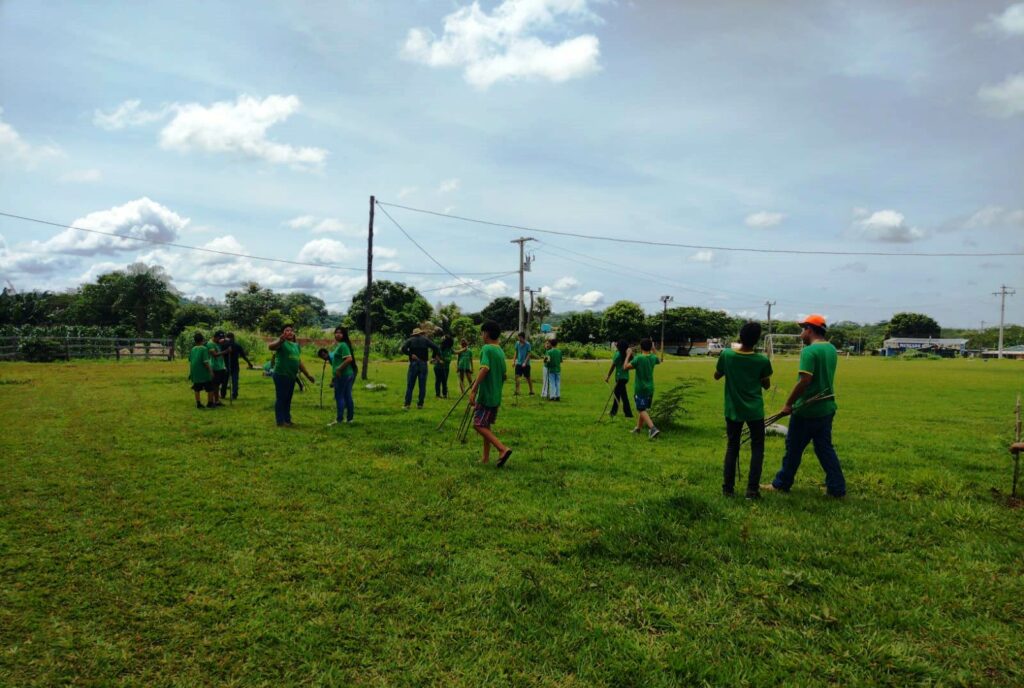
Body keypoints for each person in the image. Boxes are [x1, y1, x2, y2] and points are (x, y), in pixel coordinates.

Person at [764, 314, 846, 498]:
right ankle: (837, 488)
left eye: (803, 329)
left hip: (806, 411)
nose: (801, 333)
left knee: (793, 448)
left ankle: (781, 484)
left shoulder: (809, 352)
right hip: (826, 408)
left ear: (810, 329)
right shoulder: (831, 349)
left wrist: (788, 404)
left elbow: (805, 380)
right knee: (825, 449)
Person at [714, 322, 773, 499]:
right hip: (755, 411)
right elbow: (767, 385)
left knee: (732, 446)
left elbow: (717, 375)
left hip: (733, 410)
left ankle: (728, 489)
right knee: (757, 448)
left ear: (740, 336)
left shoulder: (726, 355)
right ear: (757, 340)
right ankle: (752, 490)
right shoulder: (762, 360)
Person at [469, 320, 512, 467]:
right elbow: (504, 375)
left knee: (478, 425)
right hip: (496, 396)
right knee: (485, 426)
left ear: (486, 333)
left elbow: (485, 368)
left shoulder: (486, 349)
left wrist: (474, 389)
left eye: (482, 332)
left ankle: (502, 449)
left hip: (486, 396)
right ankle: (485, 458)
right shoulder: (500, 350)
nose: (481, 335)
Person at [267, 323, 315, 427]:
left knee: (288, 399)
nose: (290, 332)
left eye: (291, 330)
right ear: (283, 333)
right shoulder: (281, 343)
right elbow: (270, 347)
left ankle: (287, 420)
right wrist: (280, 340)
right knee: (281, 398)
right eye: (287, 330)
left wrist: (308, 375)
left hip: (291, 376)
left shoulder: (296, 346)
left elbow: (298, 361)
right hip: (281, 374)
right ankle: (280, 421)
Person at [318, 326, 357, 426]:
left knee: (339, 397)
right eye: (336, 332)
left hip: (343, 375)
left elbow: (349, 359)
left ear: (344, 335)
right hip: (348, 374)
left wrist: (339, 369)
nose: (337, 334)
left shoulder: (343, 345)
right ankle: (350, 419)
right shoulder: (341, 345)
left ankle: (339, 419)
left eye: (340, 333)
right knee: (348, 396)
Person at [624, 339, 661, 439]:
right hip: (650, 388)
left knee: (640, 409)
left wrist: (628, 355)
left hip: (640, 388)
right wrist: (654, 349)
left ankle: (653, 428)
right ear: (650, 347)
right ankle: (638, 428)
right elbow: (660, 360)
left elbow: (625, 367)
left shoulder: (639, 358)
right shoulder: (653, 357)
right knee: (643, 408)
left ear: (641, 347)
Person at [400, 327, 440, 409]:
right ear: (420, 333)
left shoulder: (410, 340)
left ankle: (407, 404)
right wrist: (433, 357)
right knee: (422, 385)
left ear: (414, 334)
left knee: (410, 385)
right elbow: (436, 348)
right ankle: (420, 404)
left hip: (413, 364)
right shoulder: (425, 340)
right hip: (423, 364)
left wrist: (410, 354)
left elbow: (403, 349)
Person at [219, 332, 254, 400]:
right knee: (234, 381)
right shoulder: (237, 345)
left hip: (227, 365)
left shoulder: (224, 345)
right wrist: (249, 363)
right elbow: (243, 356)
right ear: (233, 337)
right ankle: (234, 395)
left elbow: (221, 355)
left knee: (225, 381)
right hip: (233, 365)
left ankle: (223, 394)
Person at [604, 339, 633, 418]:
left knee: (617, 396)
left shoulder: (617, 355)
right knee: (623, 395)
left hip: (619, 378)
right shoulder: (628, 355)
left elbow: (613, 366)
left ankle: (613, 413)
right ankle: (628, 414)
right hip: (625, 378)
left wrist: (608, 376)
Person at [188, 332, 215, 409]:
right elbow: (206, 362)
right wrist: (211, 371)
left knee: (197, 388)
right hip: (203, 372)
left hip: (195, 372)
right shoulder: (204, 349)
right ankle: (210, 403)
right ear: (202, 340)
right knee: (210, 388)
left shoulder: (193, 349)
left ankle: (198, 403)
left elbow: (190, 360)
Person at [206, 331, 227, 407]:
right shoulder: (210, 343)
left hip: (220, 366)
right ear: (215, 337)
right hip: (214, 367)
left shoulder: (217, 343)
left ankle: (217, 400)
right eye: (219, 338)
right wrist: (225, 351)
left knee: (218, 385)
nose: (220, 340)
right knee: (215, 385)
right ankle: (214, 401)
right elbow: (214, 354)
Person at [514, 332, 535, 396]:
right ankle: (517, 391)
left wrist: (525, 363)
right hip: (519, 363)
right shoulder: (517, 343)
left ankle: (531, 391)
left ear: (523, 337)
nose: (519, 339)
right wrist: (514, 361)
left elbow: (529, 354)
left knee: (528, 377)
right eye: (518, 337)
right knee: (517, 376)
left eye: (520, 337)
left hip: (526, 364)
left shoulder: (528, 344)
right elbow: (516, 352)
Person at [434, 335, 454, 399]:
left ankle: (444, 394)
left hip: (446, 367)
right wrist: (440, 360)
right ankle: (438, 395)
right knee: (438, 381)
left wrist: (463, 350)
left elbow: (455, 352)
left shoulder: (449, 348)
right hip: (438, 367)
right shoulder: (440, 348)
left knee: (444, 381)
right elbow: (436, 356)